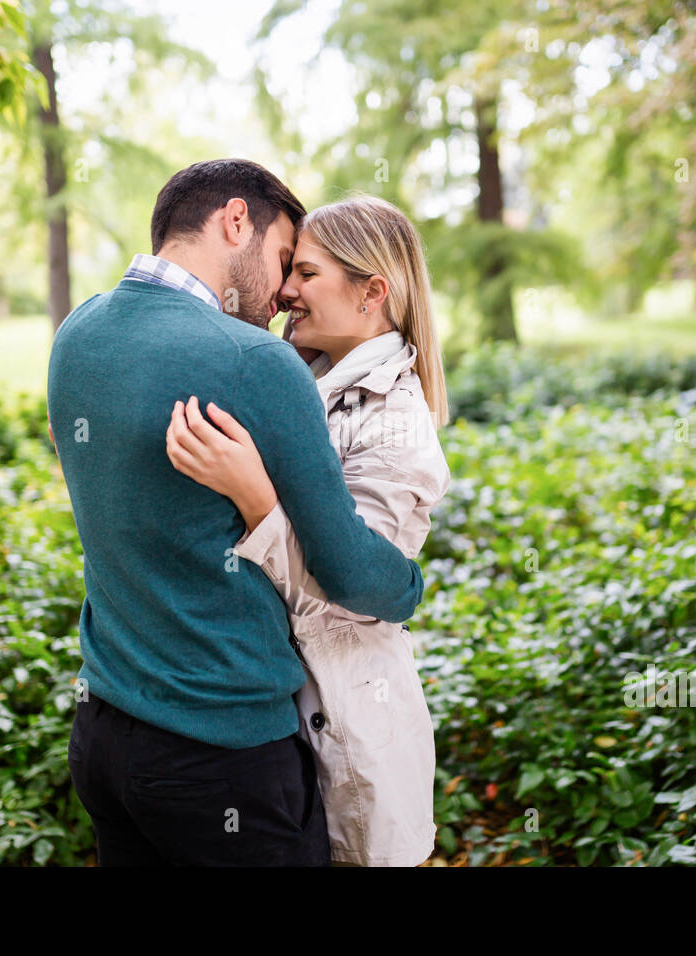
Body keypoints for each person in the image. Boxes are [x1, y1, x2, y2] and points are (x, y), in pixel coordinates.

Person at [47, 160, 426, 866]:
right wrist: (409, 588)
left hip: (103, 731)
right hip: (224, 754)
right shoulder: (254, 361)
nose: (282, 295)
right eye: (285, 259)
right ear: (233, 221)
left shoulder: (76, 333)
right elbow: (349, 568)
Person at [166, 194, 450, 866]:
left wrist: (255, 498)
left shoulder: (395, 425)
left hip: (351, 739)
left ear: (371, 292)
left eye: (308, 275)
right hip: (277, 726)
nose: (285, 290)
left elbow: (353, 588)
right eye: (288, 269)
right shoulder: (305, 382)